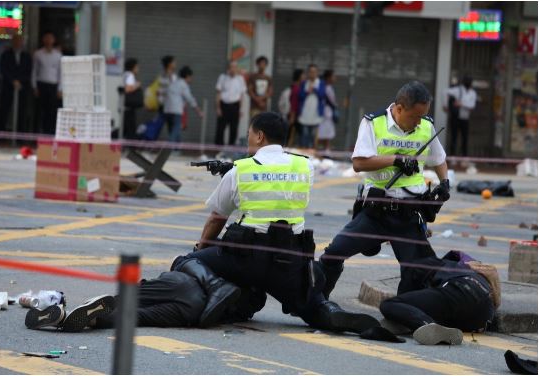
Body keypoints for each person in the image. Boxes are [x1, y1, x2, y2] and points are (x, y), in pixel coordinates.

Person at [172, 112, 380, 333]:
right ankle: (329, 311)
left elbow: (216, 219)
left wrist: (201, 250)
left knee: (185, 261)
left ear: (260, 136)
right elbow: (277, 174)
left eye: (249, 134)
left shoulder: (240, 170)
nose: (248, 139)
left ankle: (217, 287)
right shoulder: (304, 166)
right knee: (312, 304)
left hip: (245, 258)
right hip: (290, 259)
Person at [317, 81, 450, 299]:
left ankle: (405, 311)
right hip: (376, 211)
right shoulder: (373, 123)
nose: (418, 122)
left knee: (416, 270)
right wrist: (395, 160)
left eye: (422, 116)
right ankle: (317, 302)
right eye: (414, 116)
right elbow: (359, 163)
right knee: (333, 253)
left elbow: (439, 159)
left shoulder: (426, 126)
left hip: (409, 214)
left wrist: (444, 182)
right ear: (399, 108)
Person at [25, 265, 261, 332]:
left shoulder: (224, 272)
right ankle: (83, 320)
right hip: (193, 312)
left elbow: (183, 261)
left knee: (125, 299)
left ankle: (81, 310)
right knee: (135, 317)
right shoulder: (238, 309)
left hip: (182, 284)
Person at [380, 250, 495, 345]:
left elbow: (404, 299)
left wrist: (397, 313)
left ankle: (426, 324)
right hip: (483, 317)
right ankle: (423, 326)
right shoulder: (468, 270)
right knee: (442, 310)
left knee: (389, 304)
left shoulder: (425, 265)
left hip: (459, 290)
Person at [0, 34, 32, 134]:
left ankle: (20, 134)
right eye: (16, 41)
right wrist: (12, 81)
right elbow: (3, 69)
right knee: (4, 110)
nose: (18, 43)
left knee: (22, 111)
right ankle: (1, 134)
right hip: (8, 86)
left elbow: (28, 71)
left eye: (20, 41)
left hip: (22, 87)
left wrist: (20, 81)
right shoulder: (6, 54)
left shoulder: (27, 56)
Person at [32, 31, 62, 135]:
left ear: (54, 40)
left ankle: (49, 133)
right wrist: (34, 86)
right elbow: (34, 71)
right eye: (47, 38)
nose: (49, 40)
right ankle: (36, 134)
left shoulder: (58, 55)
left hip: (53, 85)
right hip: (41, 84)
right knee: (39, 111)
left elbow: (60, 73)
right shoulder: (38, 54)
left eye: (51, 38)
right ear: (43, 39)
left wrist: (60, 89)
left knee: (51, 111)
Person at [163, 66, 203, 143]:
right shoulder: (184, 85)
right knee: (176, 129)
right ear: (187, 76)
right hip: (176, 110)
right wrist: (199, 111)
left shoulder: (174, 83)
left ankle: (177, 149)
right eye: (191, 77)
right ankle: (169, 147)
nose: (191, 79)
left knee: (173, 129)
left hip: (167, 110)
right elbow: (190, 99)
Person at [214, 60, 247, 146]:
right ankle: (218, 149)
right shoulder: (222, 77)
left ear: (237, 68)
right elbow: (218, 93)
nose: (233, 69)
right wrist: (218, 108)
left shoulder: (240, 79)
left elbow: (241, 96)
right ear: (228, 68)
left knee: (234, 129)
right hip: (223, 105)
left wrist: (240, 109)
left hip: (235, 106)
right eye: (231, 67)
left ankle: (231, 149)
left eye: (235, 67)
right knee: (220, 128)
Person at [443, 75, 477, 157]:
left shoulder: (473, 93)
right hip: (456, 117)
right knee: (454, 137)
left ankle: (463, 156)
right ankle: (453, 156)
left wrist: (461, 104)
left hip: (465, 118)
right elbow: (444, 92)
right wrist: (445, 105)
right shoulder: (458, 90)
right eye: (467, 81)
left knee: (464, 138)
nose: (469, 83)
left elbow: (472, 106)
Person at [298, 64, 326, 148]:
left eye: (314, 72)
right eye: (310, 72)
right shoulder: (304, 83)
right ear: (308, 73)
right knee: (304, 135)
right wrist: (307, 92)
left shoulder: (321, 83)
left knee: (313, 135)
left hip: (316, 114)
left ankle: (312, 152)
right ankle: (304, 152)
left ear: (317, 73)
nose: (312, 73)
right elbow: (300, 96)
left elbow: (322, 95)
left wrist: (314, 89)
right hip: (305, 113)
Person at [317, 70, 338, 151]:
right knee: (326, 132)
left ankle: (325, 149)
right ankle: (326, 149)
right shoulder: (327, 88)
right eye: (333, 76)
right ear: (328, 78)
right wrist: (335, 105)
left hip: (326, 113)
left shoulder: (326, 87)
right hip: (326, 113)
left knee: (324, 132)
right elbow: (332, 101)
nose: (335, 78)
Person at [122, 58, 142, 140]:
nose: (138, 69)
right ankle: (129, 148)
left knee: (125, 128)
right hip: (129, 107)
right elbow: (127, 89)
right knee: (130, 129)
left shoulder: (125, 74)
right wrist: (137, 85)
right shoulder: (130, 75)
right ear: (133, 67)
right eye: (137, 67)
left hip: (124, 106)